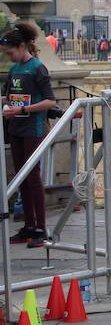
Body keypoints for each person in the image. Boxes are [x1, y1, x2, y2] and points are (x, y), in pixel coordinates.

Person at [1, 22, 57, 248]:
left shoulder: (37, 68)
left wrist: (23, 109)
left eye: (11, 52)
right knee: (20, 176)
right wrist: (6, 103)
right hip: (16, 128)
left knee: (33, 177)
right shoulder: (14, 70)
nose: (9, 57)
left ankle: (40, 229)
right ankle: (28, 224)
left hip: (33, 128)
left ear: (22, 46)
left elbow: (50, 100)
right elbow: (10, 95)